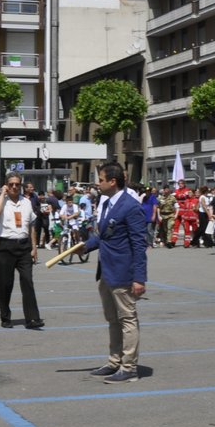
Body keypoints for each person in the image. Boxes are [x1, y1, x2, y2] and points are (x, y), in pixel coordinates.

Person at [68, 162, 147, 384]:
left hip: (123, 272)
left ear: (113, 182)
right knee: (112, 319)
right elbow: (106, 235)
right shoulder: (106, 203)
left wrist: (139, 278)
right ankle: (115, 361)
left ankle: (129, 367)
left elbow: (139, 245)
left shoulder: (130, 206)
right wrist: (87, 245)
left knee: (127, 319)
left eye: (101, 179)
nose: (97, 183)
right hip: (106, 271)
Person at [0, 174, 43, 329]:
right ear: (6, 185)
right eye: (11, 184)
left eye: (17, 184)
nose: (15, 187)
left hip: (24, 246)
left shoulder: (26, 202)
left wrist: (34, 247)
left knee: (28, 281)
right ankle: (5, 317)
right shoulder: (0, 201)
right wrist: (2, 194)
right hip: (5, 246)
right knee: (5, 284)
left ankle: (32, 318)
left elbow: (31, 226)